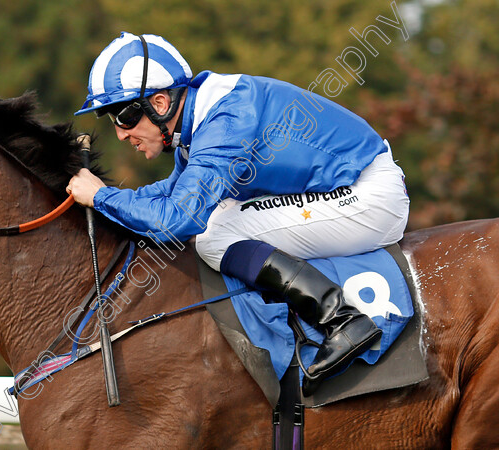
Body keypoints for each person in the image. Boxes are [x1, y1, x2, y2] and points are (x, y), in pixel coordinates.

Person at [67, 32, 409, 394]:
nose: (120, 134)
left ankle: (342, 319)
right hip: (349, 191)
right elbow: (169, 193)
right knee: (220, 221)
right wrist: (104, 197)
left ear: (161, 103)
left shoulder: (225, 121)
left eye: (123, 116)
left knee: (215, 234)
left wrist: (102, 197)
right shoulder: (201, 122)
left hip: (369, 196)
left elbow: (175, 219)